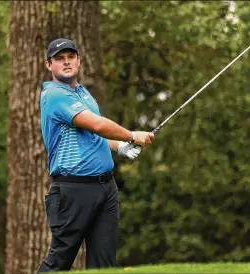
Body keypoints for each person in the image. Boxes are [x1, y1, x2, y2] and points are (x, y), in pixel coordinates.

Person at [37, 38, 154, 273]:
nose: (67, 62)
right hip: (74, 190)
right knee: (59, 262)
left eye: (71, 57)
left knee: (103, 263)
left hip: (106, 187)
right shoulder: (54, 96)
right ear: (49, 65)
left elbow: (90, 135)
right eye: (59, 58)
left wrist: (118, 147)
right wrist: (131, 135)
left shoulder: (82, 93)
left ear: (79, 61)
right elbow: (97, 125)